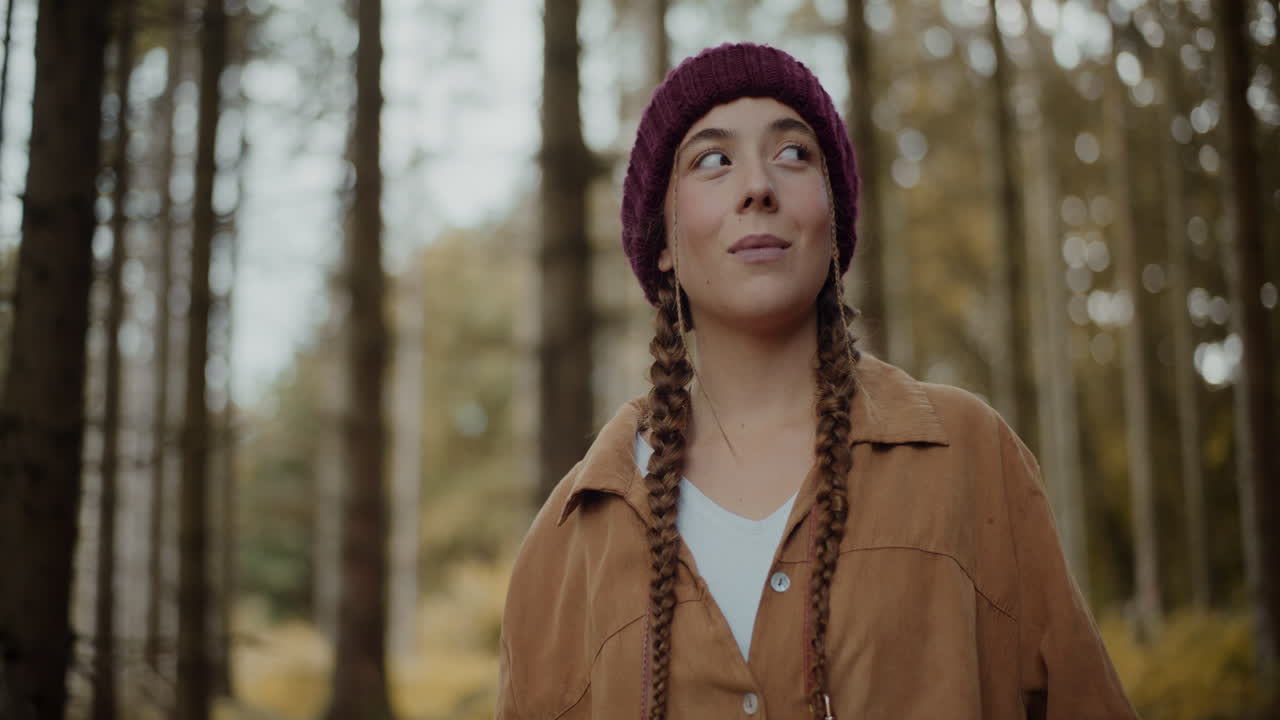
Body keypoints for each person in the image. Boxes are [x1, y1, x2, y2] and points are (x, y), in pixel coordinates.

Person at [497, 43, 1135, 720]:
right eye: (712, 160)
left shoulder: (971, 456)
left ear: (833, 220)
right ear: (662, 242)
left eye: (793, 153)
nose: (758, 186)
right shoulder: (565, 546)